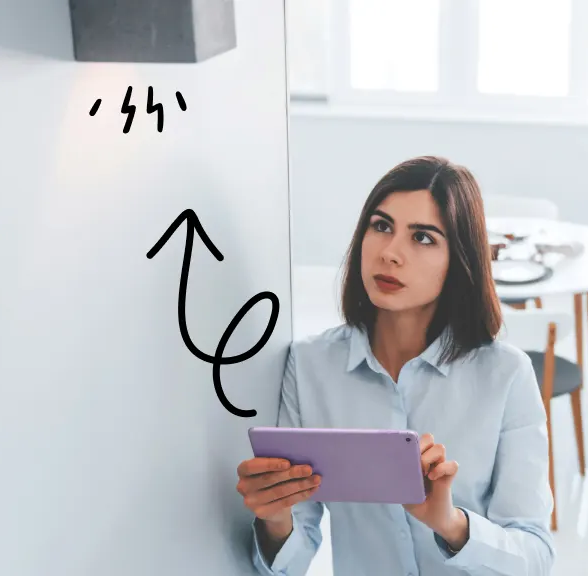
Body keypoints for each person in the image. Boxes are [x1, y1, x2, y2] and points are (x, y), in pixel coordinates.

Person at [235, 156, 556, 575]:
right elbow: (290, 561)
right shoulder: (310, 365)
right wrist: (274, 520)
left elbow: (536, 558)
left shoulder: (506, 374)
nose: (390, 253)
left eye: (422, 238)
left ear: (459, 261)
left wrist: (450, 523)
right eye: (381, 226)